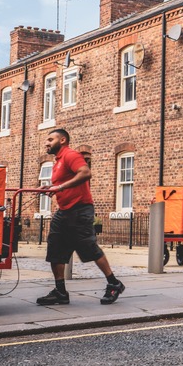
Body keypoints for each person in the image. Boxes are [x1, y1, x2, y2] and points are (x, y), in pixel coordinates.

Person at [36, 128, 125, 305]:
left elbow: (85, 173)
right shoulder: (58, 161)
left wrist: (60, 188)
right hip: (64, 211)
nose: (47, 142)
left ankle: (114, 283)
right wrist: (50, 188)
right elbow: (63, 183)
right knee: (55, 249)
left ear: (62, 140)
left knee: (88, 247)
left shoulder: (70, 155)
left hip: (80, 209)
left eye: (50, 139)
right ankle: (60, 291)